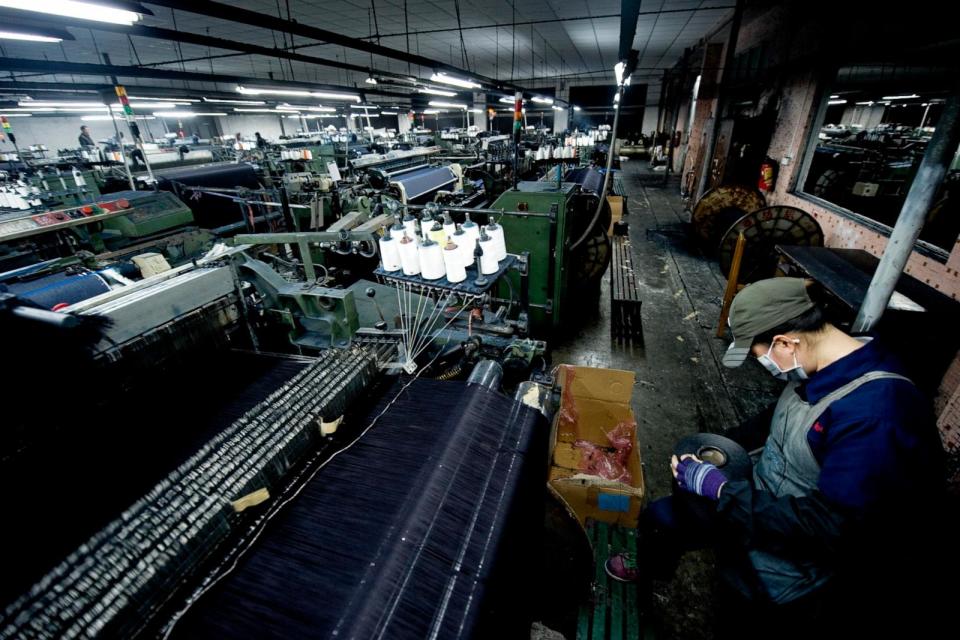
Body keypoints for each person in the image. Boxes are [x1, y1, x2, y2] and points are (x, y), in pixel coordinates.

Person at [604, 277, 946, 634]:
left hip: (799, 565)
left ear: (785, 342)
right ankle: (650, 563)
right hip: (762, 499)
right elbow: (771, 423)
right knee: (665, 517)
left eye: (758, 356)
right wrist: (711, 454)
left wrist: (722, 492)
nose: (762, 365)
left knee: (743, 612)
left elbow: (832, 528)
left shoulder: (876, 417)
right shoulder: (821, 362)